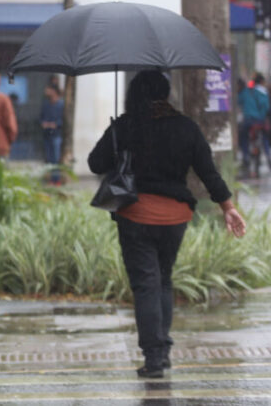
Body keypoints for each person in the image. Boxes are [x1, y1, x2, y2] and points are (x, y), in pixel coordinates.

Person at [88, 70, 246, 379]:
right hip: (175, 218)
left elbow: (96, 163)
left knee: (146, 283)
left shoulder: (126, 125)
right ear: (166, 92)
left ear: (134, 94)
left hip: (136, 215)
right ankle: (162, 349)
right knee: (162, 279)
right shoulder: (186, 127)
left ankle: (155, 358)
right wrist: (228, 207)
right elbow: (208, 172)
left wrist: (119, 139)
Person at [238, 73, 271, 174]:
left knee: (243, 137)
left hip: (248, 121)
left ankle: (246, 155)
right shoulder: (263, 92)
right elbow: (266, 107)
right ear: (261, 81)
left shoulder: (245, 92)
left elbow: (238, 101)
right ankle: (268, 154)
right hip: (260, 122)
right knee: (265, 138)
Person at [40, 81, 64, 184]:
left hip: (56, 135)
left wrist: (55, 125)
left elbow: (63, 120)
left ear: (53, 91)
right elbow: (41, 118)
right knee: (49, 158)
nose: (46, 91)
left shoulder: (61, 104)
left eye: (48, 89)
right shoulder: (46, 104)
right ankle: (51, 179)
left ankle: (57, 180)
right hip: (47, 135)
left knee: (55, 158)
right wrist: (43, 124)